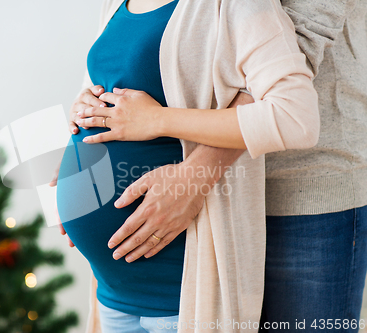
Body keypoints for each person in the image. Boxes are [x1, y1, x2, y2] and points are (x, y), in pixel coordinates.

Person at [69, 0, 367, 332]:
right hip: (125, 282)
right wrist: (80, 154)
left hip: (302, 188)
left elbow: (301, 45)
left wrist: (195, 173)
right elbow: (122, 74)